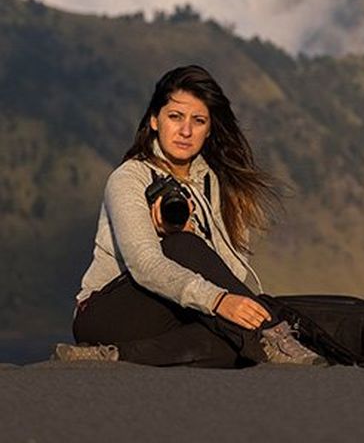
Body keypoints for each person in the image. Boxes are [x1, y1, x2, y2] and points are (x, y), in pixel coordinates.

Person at [52, 64, 324, 367]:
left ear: (209, 130)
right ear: (155, 120)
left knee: (230, 345)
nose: (185, 131)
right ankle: (273, 338)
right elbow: (144, 264)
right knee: (182, 247)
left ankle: (110, 357)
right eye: (175, 117)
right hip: (108, 313)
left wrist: (200, 242)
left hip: (174, 314)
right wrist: (215, 298)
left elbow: (232, 273)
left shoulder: (215, 185)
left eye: (198, 120)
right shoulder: (130, 177)